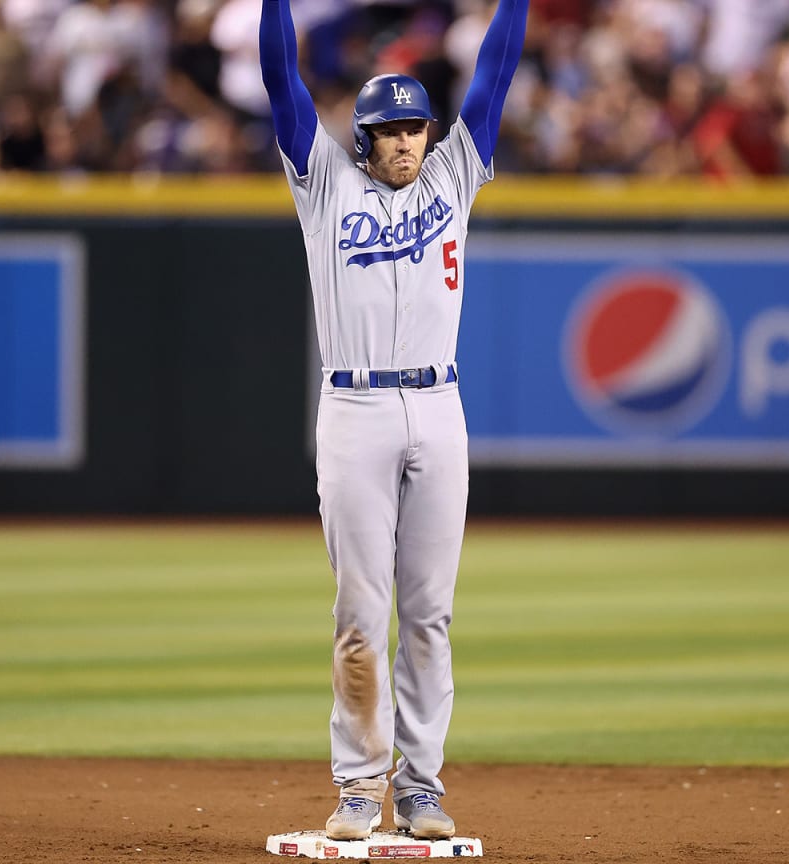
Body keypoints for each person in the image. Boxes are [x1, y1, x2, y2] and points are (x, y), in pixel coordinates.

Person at [258, 0, 526, 843]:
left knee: (430, 613)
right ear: (364, 138)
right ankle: (355, 786)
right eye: (392, 130)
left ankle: (421, 787)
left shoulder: (453, 174)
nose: (409, 141)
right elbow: (279, 81)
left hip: (439, 407)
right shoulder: (325, 184)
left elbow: (495, 76)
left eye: (417, 128)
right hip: (357, 407)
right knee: (359, 614)